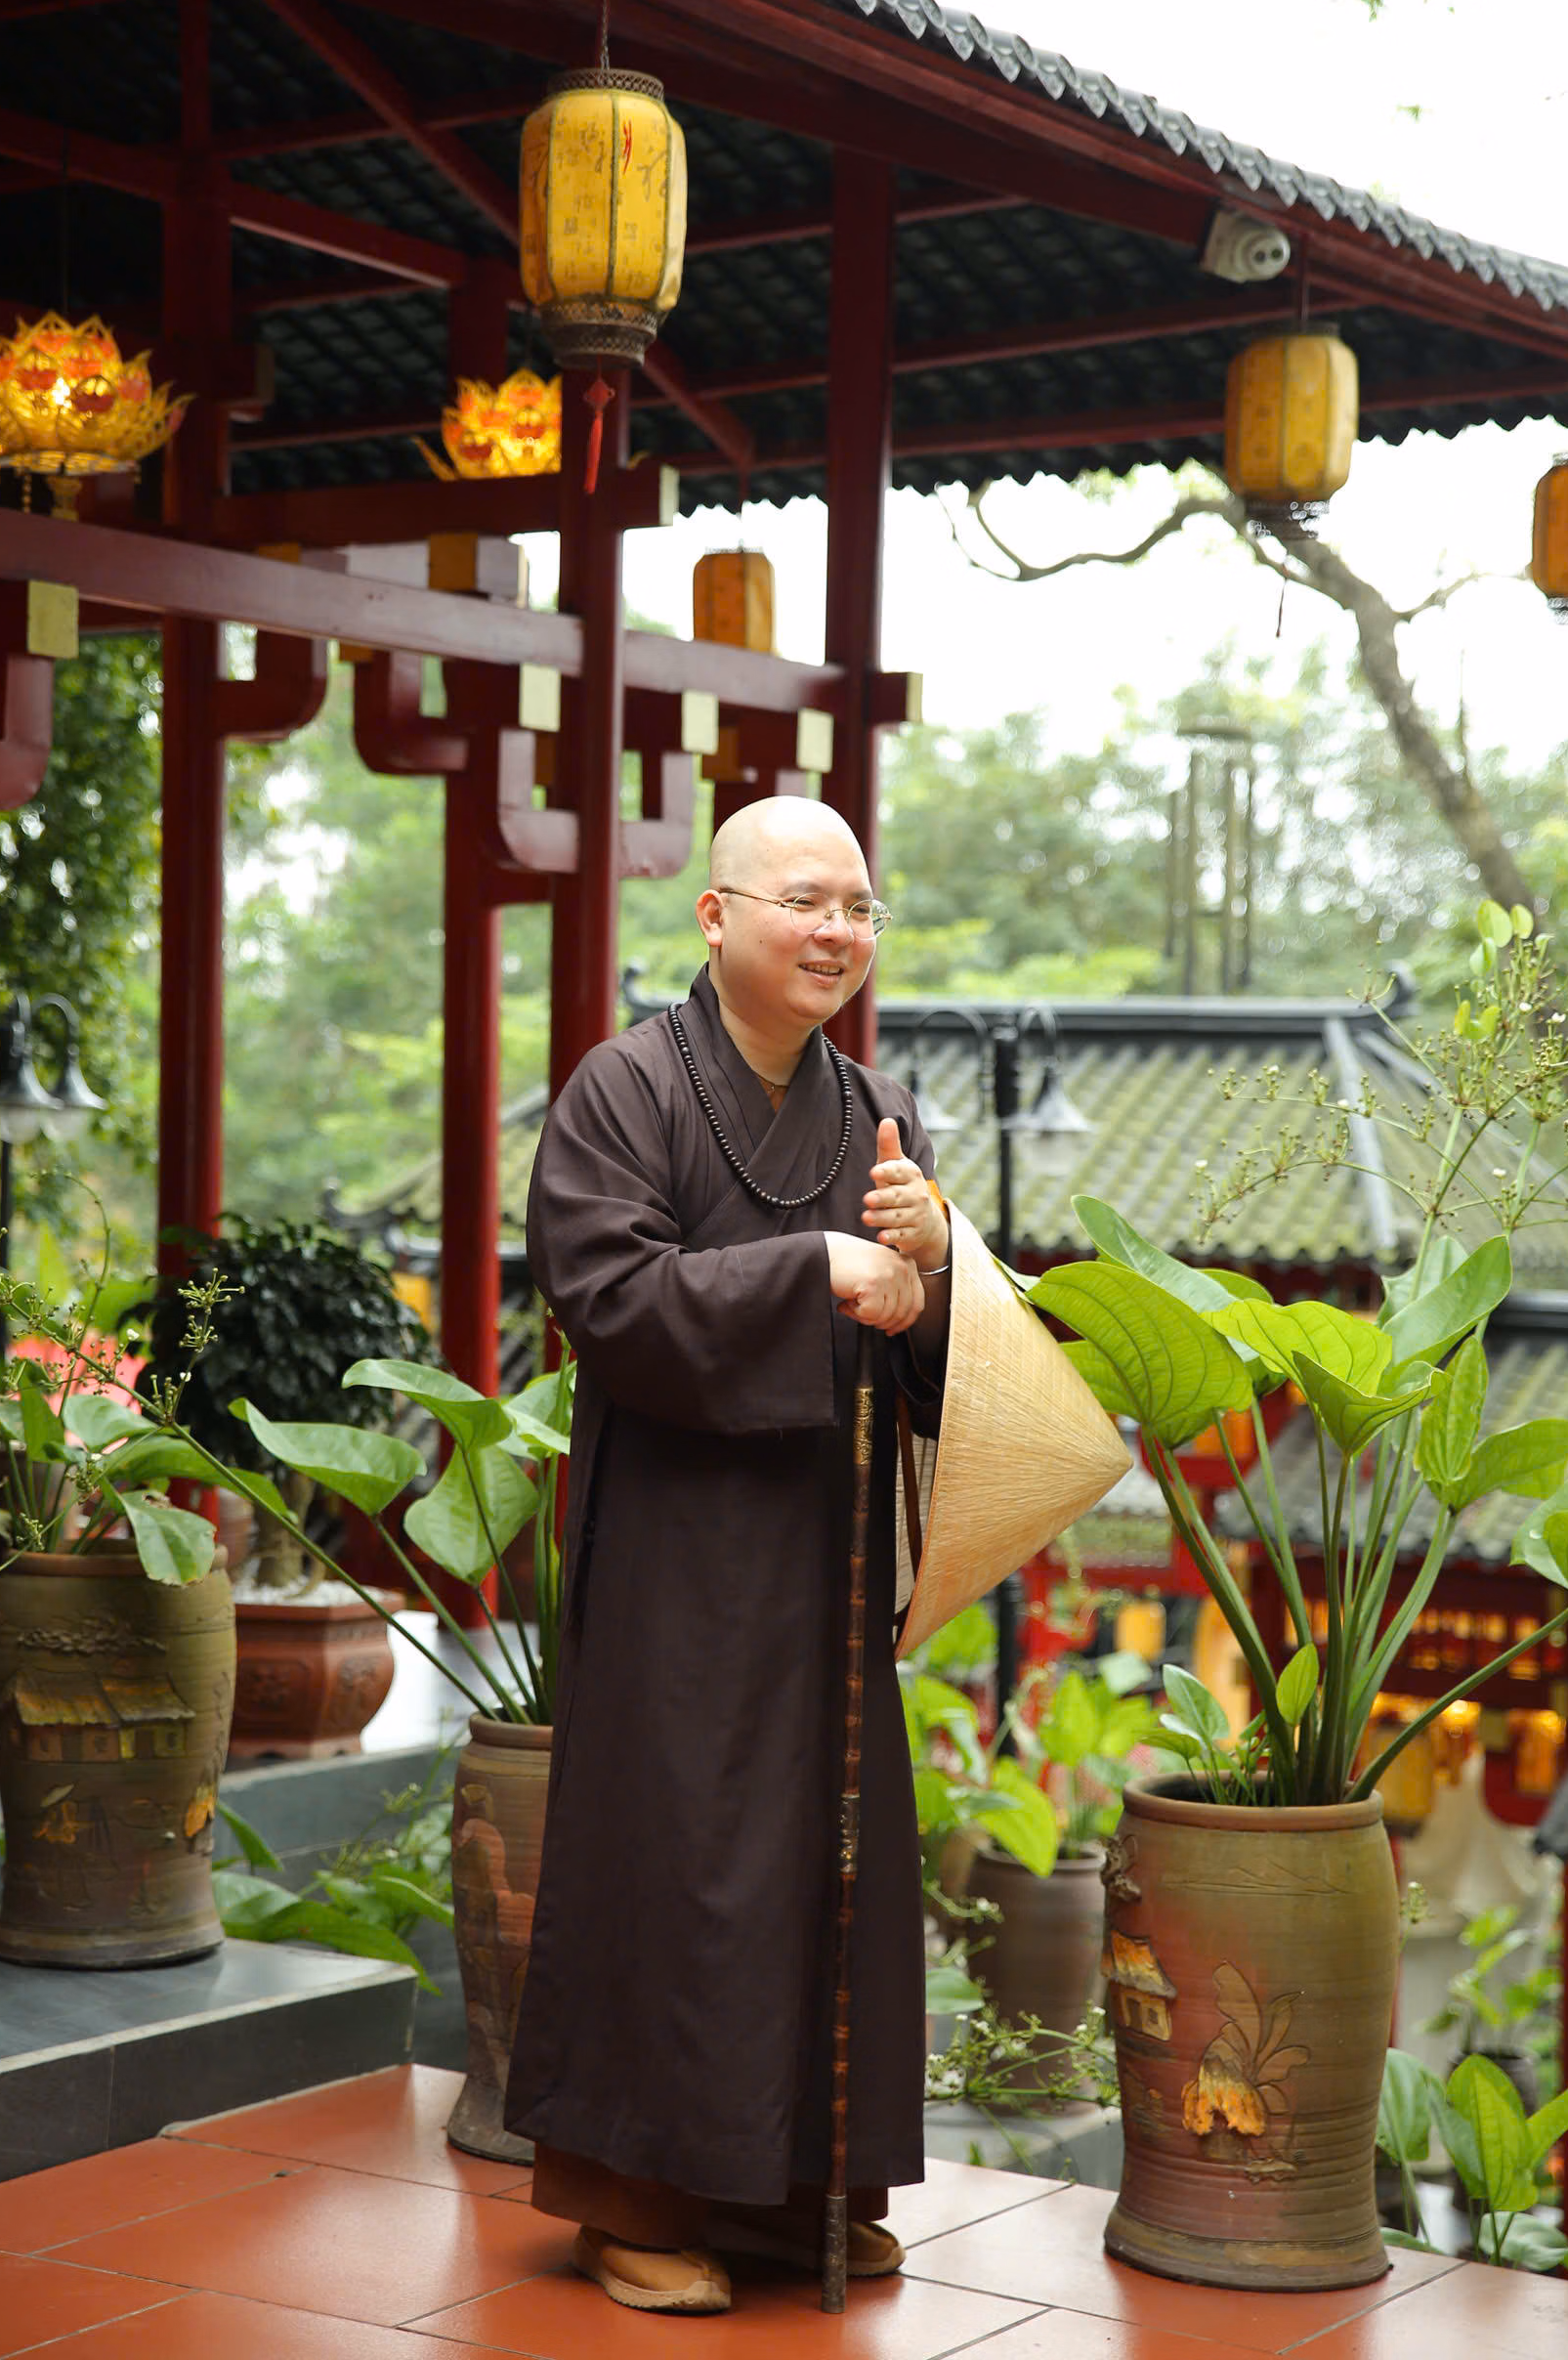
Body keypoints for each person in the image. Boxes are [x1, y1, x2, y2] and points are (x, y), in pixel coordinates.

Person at [504, 794, 953, 2317]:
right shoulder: (625, 1090)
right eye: (804, 902)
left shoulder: (877, 1110)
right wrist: (809, 1266)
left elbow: (931, 1342)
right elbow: (605, 1296)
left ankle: (794, 2188)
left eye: (859, 908)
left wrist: (932, 1266)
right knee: (677, 1861)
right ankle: (635, 2198)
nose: (837, 932)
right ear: (714, 915)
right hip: (675, 1557)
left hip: (824, 1560)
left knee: (820, 1868)